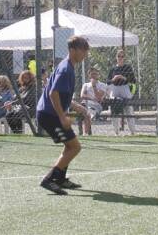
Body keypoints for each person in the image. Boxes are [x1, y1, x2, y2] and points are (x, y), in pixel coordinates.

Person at [36, 35, 91, 195]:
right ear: (72, 50)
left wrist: (75, 106)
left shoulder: (68, 67)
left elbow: (59, 94)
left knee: (70, 146)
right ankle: (49, 179)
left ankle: (60, 179)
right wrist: (62, 117)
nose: (85, 54)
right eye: (83, 50)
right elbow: (53, 93)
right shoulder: (66, 69)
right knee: (75, 147)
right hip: (50, 115)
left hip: (49, 113)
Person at [79, 67, 107, 135]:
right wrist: (92, 98)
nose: (93, 76)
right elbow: (82, 95)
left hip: (96, 106)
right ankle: (84, 132)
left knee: (88, 114)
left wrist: (94, 86)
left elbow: (98, 97)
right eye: (92, 74)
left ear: (98, 75)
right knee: (80, 111)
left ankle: (85, 134)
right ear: (89, 75)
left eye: (95, 74)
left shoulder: (102, 85)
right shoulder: (86, 85)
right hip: (85, 104)